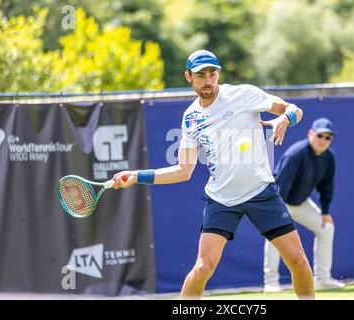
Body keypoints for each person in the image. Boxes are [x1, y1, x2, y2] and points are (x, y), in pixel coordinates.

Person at [111, 49, 315, 299]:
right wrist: (137, 175)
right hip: (221, 199)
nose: (208, 80)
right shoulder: (190, 118)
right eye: (200, 75)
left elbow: (294, 109)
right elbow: (183, 171)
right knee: (203, 268)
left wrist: (285, 118)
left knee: (298, 261)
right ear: (188, 76)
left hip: (261, 192)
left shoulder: (243, 94)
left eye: (212, 74)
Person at [263, 118, 345, 292]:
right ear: (310, 134)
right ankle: (271, 282)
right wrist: (278, 212)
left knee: (327, 228)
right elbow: (281, 184)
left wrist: (325, 211)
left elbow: (327, 185)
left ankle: (322, 279)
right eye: (320, 135)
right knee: (275, 236)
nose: (323, 140)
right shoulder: (296, 154)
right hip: (279, 201)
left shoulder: (328, 156)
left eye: (327, 137)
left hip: (300, 203)